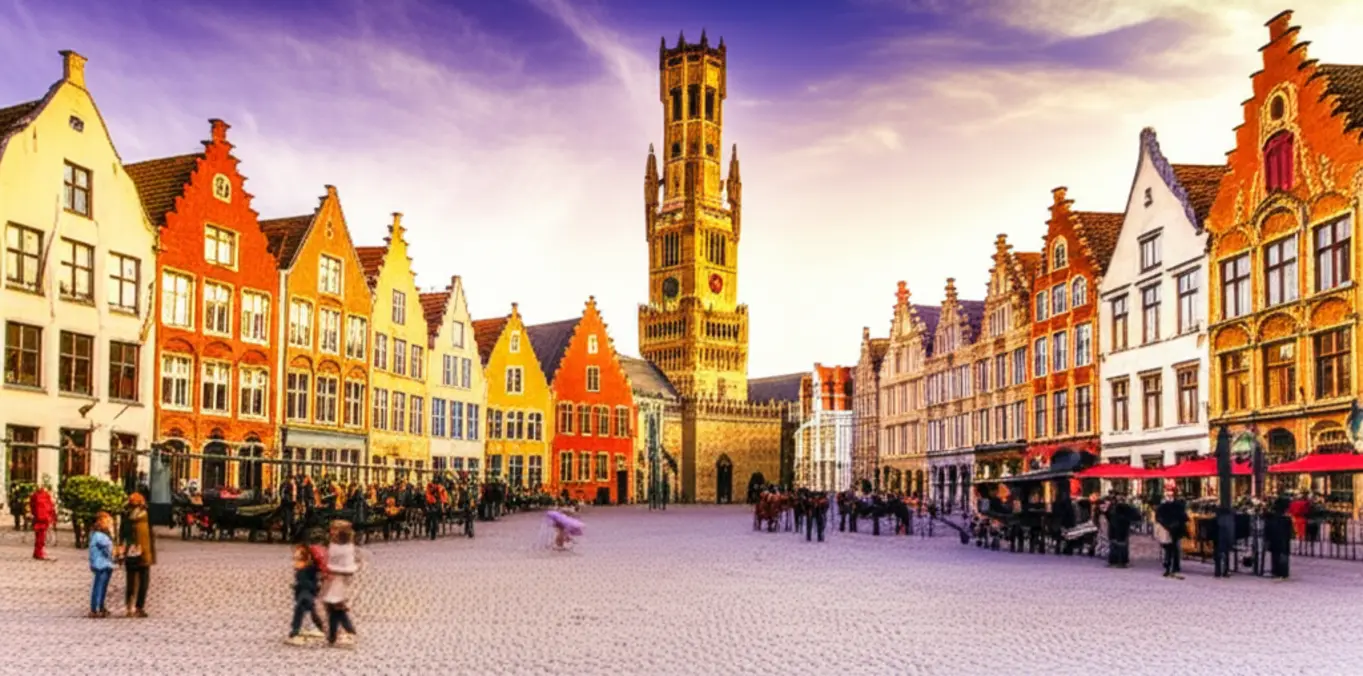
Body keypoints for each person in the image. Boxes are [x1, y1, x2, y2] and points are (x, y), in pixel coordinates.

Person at [321, 521, 359, 648]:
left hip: (339, 580)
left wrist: (331, 570)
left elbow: (348, 568)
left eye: (335, 529)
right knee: (332, 607)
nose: (331, 532)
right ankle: (334, 634)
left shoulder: (346, 548)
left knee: (336, 606)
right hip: (332, 579)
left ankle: (345, 631)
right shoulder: (333, 544)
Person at [119, 492, 156, 617]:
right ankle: (139, 607)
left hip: (131, 550)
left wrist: (121, 548)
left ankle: (130, 606)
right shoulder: (146, 515)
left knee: (131, 580)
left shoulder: (126, 516)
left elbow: (122, 534)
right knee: (143, 581)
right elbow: (150, 535)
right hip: (144, 551)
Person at [285, 543, 328, 645]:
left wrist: (299, 586)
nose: (295, 555)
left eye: (298, 554)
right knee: (312, 612)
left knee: (300, 611)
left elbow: (308, 582)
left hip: (305, 594)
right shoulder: (304, 568)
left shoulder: (307, 569)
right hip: (305, 593)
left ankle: (295, 632)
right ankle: (322, 629)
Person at [87, 511, 115, 618]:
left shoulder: (98, 534)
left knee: (102, 587)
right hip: (102, 564)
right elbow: (109, 550)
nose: (110, 525)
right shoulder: (100, 536)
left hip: (104, 564)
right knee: (99, 587)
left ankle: (100, 607)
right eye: (108, 523)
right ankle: (96, 608)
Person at [1154, 496, 1188, 580]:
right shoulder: (1178, 507)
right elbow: (1185, 518)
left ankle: (1168, 566)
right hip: (1176, 531)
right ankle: (1174, 566)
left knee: (1167, 549)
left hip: (1167, 530)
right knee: (1175, 549)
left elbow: (1158, 518)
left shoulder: (1162, 508)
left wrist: (1166, 526)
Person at [1265, 498, 1293, 581]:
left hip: (1274, 538)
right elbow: (1289, 531)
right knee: (1283, 554)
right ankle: (1283, 573)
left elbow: (1268, 528)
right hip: (1283, 538)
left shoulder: (1271, 517)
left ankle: (1277, 572)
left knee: (1276, 554)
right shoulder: (1286, 518)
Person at [29, 480, 56, 561]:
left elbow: (32, 506)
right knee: (41, 537)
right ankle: (39, 553)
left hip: (38, 518)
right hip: (43, 518)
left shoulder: (35, 495)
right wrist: (51, 517)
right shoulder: (45, 496)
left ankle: (37, 552)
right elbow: (50, 507)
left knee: (39, 536)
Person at [1213, 505, 1236, 578]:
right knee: (1225, 554)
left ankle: (1218, 571)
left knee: (1218, 554)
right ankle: (1225, 571)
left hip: (1218, 538)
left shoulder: (1217, 519)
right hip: (1226, 539)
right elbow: (1231, 531)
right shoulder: (1230, 519)